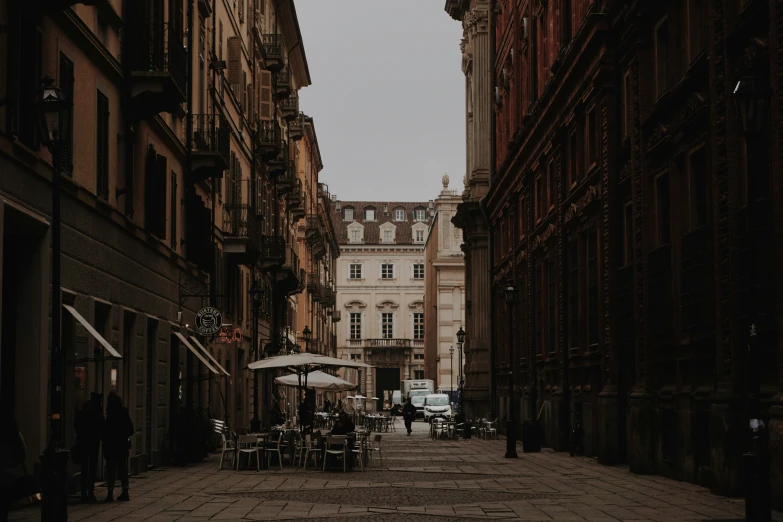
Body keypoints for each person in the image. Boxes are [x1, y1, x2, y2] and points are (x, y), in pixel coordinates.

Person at [102, 392, 133, 502]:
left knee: (111, 469)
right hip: (121, 446)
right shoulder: (123, 412)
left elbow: (105, 432)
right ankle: (125, 492)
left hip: (111, 446)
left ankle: (110, 493)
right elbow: (130, 429)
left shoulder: (110, 414)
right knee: (122, 469)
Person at [74, 392, 104, 502]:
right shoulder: (97, 412)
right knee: (92, 468)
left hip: (83, 442)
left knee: (84, 468)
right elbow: (101, 425)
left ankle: (83, 493)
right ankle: (90, 492)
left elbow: (76, 424)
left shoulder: (84, 411)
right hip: (93, 442)